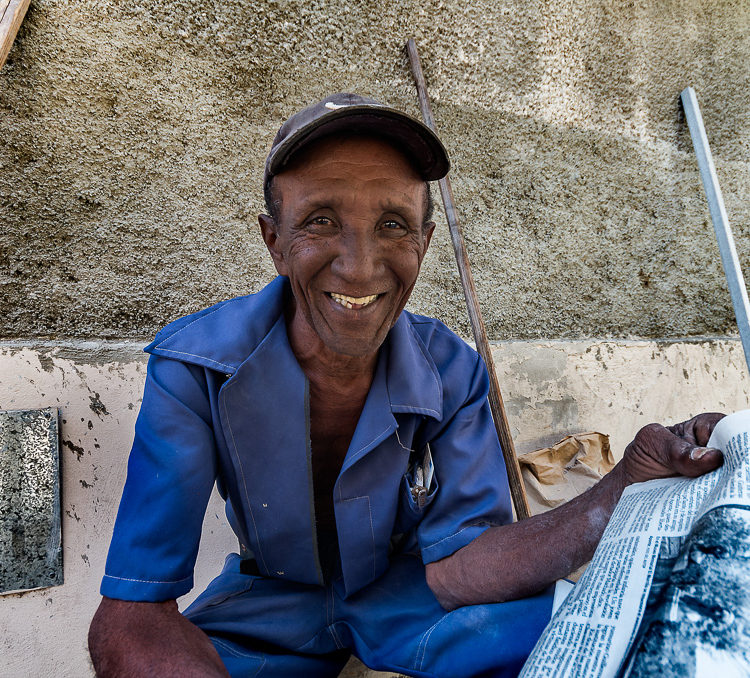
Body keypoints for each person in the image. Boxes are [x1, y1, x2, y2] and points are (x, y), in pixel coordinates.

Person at [88, 93, 724, 678]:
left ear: (424, 241)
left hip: (411, 593)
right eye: (320, 221)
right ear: (273, 241)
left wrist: (623, 484)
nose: (360, 266)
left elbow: (458, 568)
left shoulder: (453, 372)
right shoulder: (195, 365)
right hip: (268, 607)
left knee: (588, 641)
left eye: (393, 224)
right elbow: (132, 609)